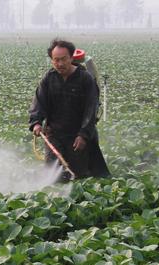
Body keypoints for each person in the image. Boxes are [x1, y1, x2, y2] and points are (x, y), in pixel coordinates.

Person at [29, 38, 110, 181]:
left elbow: (91, 110)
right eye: (56, 60)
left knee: (81, 175)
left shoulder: (85, 79)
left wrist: (83, 135)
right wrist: (36, 122)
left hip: (78, 136)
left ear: (71, 58)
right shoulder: (49, 78)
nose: (60, 64)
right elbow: (39, 102)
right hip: (53, 134)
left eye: (63, 59)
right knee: (53, 175)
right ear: (52, 60)